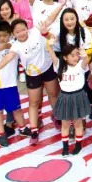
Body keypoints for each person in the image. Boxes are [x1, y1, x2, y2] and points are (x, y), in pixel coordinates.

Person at [9, 17, 59, 145]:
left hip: (47, 68)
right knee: (34, 102)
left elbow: (49, 19)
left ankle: (57, 117)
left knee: (53, 94)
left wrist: (61, 4)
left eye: (23, 30)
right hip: (32, 74)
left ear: (28, 29)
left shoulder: (36, 32)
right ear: (13, 34)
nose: (21, 33)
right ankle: (34, 130)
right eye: (17, 32)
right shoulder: (15, 45)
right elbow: (9, 57)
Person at [0, 22, 26, 147]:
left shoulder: (14, 44)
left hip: (10, 84)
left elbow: (5, 46)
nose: (1, 38)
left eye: (5, 35)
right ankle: (1, 134)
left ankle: (23, 128)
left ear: (10, 35)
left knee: (16, 109)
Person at [55, 44, 91, 156]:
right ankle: (65, 147)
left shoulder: (80, 65)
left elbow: (85, 61)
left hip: (78, 95)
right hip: (65, 96)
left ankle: (78, 145)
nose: (76, 57)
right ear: (65, 57)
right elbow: (52, 56)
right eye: (72, 55)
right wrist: (50, 46)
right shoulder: (59, 66)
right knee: (65, 124)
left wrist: (85, 56)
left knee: (78, 123)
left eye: (77, 54)